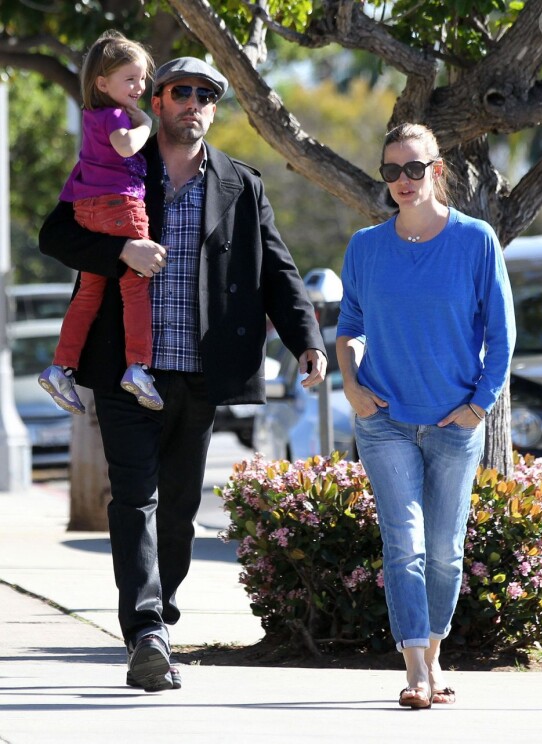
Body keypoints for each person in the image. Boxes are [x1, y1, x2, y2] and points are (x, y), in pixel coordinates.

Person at [39, 55, 327, 692]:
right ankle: (145, 630)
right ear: (158, 101)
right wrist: (121, 250)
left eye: (205, 94)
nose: (192, 102)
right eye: (179, 91)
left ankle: (159, 615)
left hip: (200, 373)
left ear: (213, 108)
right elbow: (54, 235)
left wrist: (308, 340)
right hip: (124, 370)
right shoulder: (116, 165)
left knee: (181, 510)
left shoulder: (240, 184)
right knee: (134, 500)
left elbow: (277, 270)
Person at [336, 123, 515, 709]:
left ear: (438, 170)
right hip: (384, 421)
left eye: (414, 168)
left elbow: (503, 334)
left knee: (444, 548)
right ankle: (415, 666)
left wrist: (477, 406)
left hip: (453, 423)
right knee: (403, 542)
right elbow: (350, 328)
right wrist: (353, 385)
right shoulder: (365, 245)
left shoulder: (476, 239)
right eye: (391, 171)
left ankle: (435, 655)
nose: (403, 181)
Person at [37, 31, 164, 414]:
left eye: (142, 78)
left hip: (89, 210)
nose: (139, 87)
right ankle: (138, 366)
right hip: (120, 207)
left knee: (88, 293)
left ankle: (62, 366)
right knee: (136, 286)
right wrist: (145, 124)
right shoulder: (114, 116)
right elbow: (127, 146)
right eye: (130, 79)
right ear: (102, 83)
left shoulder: (92, 118)